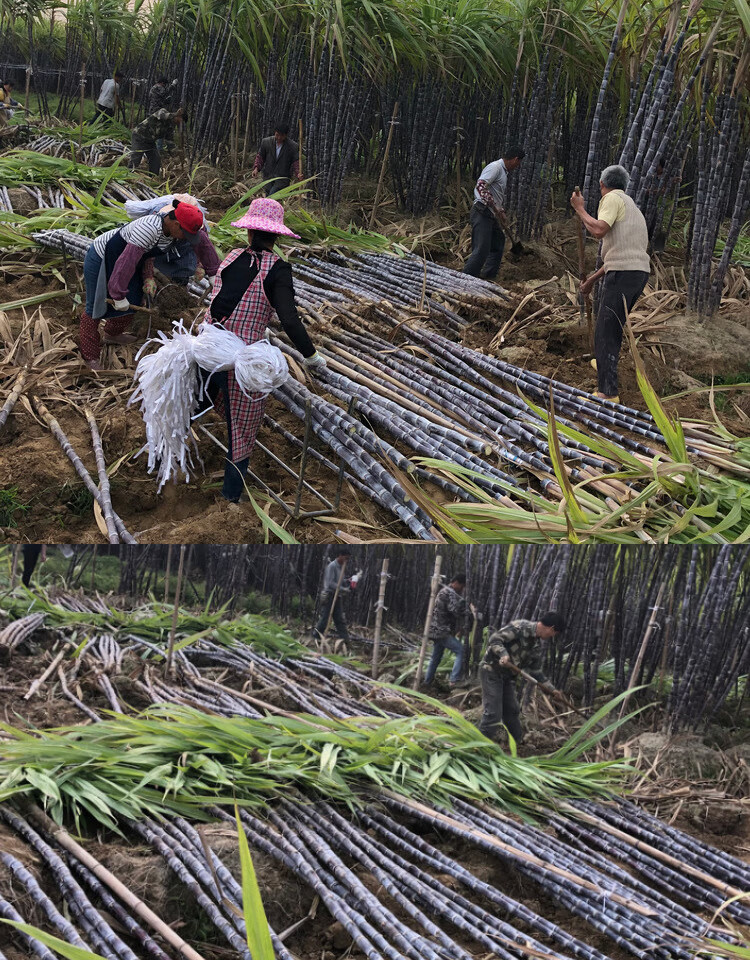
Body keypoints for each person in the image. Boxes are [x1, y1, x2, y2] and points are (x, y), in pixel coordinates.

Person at [201, 197, 325, 502]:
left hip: (205, 347)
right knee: (242, 429)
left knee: (193, 404)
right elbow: (289, 319)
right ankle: (231, 498)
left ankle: (172, 462)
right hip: (240, 361)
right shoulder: (278, 269)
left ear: (249, 232)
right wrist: (311, 356)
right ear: (278, 236)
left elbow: (221, 301)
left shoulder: (231, 257)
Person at [79, 199, 207, 370]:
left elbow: (147, 254)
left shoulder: (170, 232)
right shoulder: (148, 228)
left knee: (135, 300)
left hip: (128, 262)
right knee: (95, 306)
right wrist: (117, 294)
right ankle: (90, 355)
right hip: (102, 257)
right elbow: (127, 261)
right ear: (175, 223)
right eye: (185, 233)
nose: (186, 238)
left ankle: (112, 333)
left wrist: (148, 277)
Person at [570, 165, 650, 402]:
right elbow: (620, 254)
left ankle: (607, 393)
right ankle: (604, 365)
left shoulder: (612, 199)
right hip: (636, 273)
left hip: (624, 275)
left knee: (606, 332)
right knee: (611, 328)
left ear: (603, 185)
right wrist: (592, 281)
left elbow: (598, 229)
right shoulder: (632, 207)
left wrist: (580, 209)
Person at [478, 612, 566, 744]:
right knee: (493, 714)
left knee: (512, 710)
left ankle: (517, 742)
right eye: (554, 634)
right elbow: (495, 639)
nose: (552, 637)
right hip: (491, 670)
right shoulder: (520, 627)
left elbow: (536, 672)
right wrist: (503, 654)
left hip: (507, 677)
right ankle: (477, 745)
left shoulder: (535, 647)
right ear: (551, 628)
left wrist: (552, 690)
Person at [463, 145, 524, 280]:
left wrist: (500, 210)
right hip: (482, 211)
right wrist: (490, 202)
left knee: (498, 243)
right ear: (515, 159)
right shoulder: (495, 167)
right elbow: (480, 185)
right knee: (481, 249)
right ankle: (466, 279)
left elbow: (496, 193)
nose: (518, 166)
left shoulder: (503, 172)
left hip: (491, 213)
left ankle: (488, 277)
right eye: (519, 163)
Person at [424, 574, 467, 689]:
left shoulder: (446, 592)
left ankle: (427, 682)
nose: (462, 589)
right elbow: (455, 610)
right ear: (456, 582)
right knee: (461, 651)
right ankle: (454, 680)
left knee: (436, 657)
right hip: (441, 631)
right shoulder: (448, 593)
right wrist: (467, 608)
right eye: (462, 586)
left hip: (435, 630)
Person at [313, 550, 353, 641]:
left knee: (339, 619)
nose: (346, 561)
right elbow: (330, 583)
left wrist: (347, 581)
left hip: (337, 596)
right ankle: (316, 636)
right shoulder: (332, 566)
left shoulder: (341, 567)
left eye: (348, 559)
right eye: (346, 558)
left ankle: (345, 639)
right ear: (340, 555)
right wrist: (343, 589)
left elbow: (340, 581)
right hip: (329, 595)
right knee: (325, 618)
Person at [129, 107, 183, 176]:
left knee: (155, 160)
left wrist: (177, 153)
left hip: (150, 141)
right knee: (136, 158)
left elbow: (170, 143)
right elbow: (161, 116)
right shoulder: (163, 112)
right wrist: (175, 114)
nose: (180, 122)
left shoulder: (169, 128)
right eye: (180, 119)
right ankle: (128, 175)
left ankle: (153, 177)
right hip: (139, 136)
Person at [252, 123, 301, 195]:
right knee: (269, 195)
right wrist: (256, 168)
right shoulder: (266, 142)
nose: (279, 137)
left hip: (282, 178)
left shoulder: (293, 146)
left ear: (286, 135)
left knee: (273, 194)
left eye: (282, 136)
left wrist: (298, 173)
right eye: (277, 135)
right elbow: (260, 157)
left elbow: (296, 162)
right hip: (268, 176)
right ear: (274, 132)